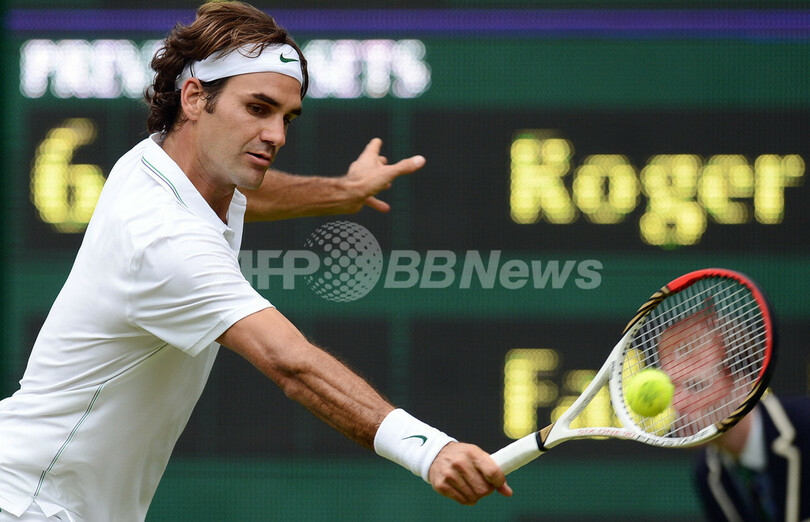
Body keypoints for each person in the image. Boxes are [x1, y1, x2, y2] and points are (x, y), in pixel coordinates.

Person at [0, 3, 511, 520]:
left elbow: (249, 192)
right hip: (32, 505)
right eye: (258, 108)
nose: (277, 135)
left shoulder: (157, 162)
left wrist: (343, 192)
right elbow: (292, 364)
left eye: (286, 117)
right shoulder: (164, 239)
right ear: (195, 98)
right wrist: (429, 450)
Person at [694, 392, 810, 522]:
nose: (679, 404)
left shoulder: (805, 422)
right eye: (676, 389)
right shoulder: (707, 473)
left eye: (695, 386)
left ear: (743, 384)